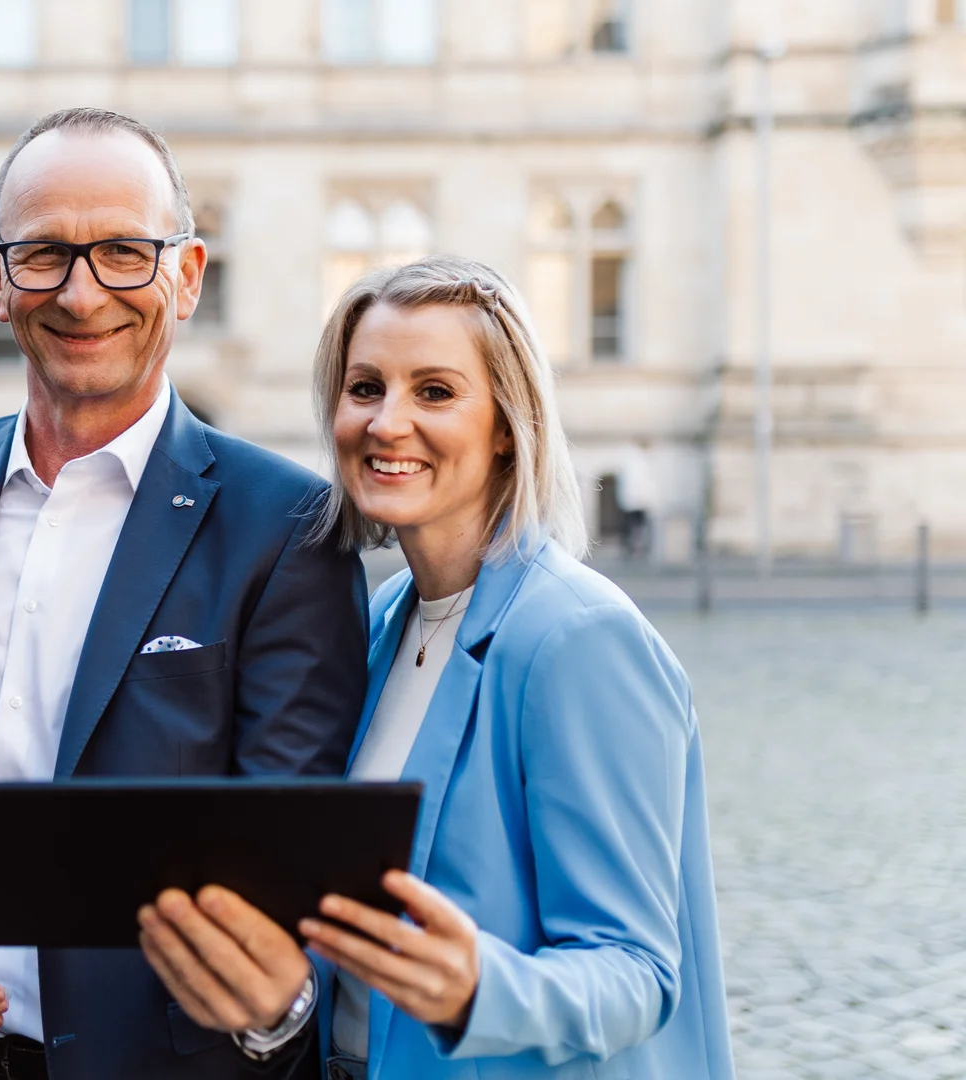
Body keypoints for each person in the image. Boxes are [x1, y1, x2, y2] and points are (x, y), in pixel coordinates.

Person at [0, 107, 370, 1080]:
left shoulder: (290, 529)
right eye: (45, 254)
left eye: (124, 252)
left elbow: (286, 852)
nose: (82, 289)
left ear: (187, 278)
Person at [137, 255, 735, 1078]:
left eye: (435, 391)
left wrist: (476, 988)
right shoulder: (380, 620)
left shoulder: (578, 639)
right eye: (365, 387)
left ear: (504, 426)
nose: (387, 422)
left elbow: (638, 974)